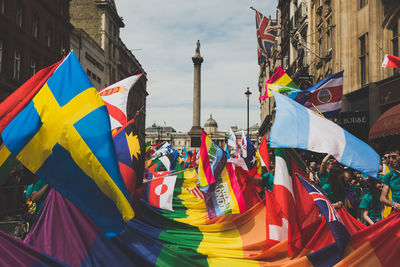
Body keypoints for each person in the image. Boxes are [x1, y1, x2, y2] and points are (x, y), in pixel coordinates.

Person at [380, 148, 400, 212]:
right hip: (397, 213)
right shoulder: (389, 175)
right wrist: (394, 204)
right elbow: (382, 198)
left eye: (394, 157)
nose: (390, 160)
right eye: (389, 158)